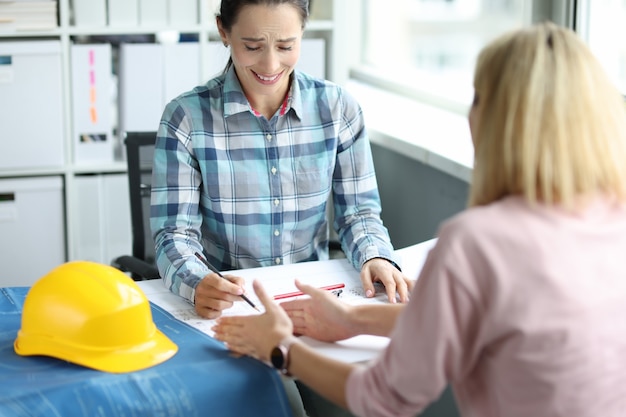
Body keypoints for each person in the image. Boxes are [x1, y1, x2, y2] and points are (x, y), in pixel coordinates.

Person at [212, 21, 626, 417]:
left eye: (477, 98)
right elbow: (494, 321)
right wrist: (355, 318)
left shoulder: (477, 243)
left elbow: (384, 399)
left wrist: (281, 348)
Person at [150, 1, 409, 416]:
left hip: (312, 309)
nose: (270, 64)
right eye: (252, 46)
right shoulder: (186, 117)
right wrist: (196, 281)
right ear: (223, 31)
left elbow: (359, 213)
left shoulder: (338, 109)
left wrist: (376, 254)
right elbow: (173, 234)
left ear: (304, 32)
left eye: (286, 45)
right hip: (228, 313)